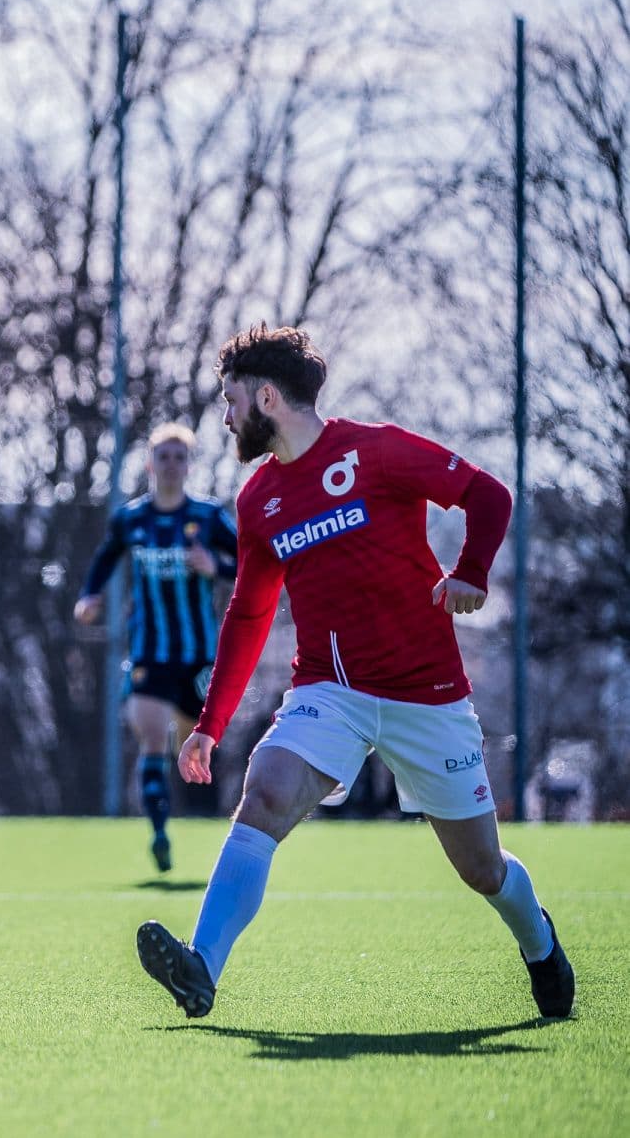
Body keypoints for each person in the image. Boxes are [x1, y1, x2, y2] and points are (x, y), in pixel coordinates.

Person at [135, 324, 574, 1021]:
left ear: (268, 397)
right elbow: (248, 617)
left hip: (425, 694)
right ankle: (202, 971)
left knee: (482, 869)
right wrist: (209, 727)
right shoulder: (258, 501)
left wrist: (471, 573)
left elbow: (489, 495)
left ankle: (540, 944)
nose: (224, 417)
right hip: (328, 692)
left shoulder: (377, 450)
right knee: (266, 795)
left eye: (230, 400)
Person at [75, 424, 238, 872]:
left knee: (195, 748)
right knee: (150, 737)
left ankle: (216, 832)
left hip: (198, 656)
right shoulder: (131, 519)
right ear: (149, 464)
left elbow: (248, 559)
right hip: (148, 652)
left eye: (178, 457)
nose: (170, 464)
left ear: (188, 465)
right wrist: (89, 595)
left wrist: (216, 565)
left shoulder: (206, 516)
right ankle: (159, 831)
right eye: (162, 456)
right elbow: (106, 557)